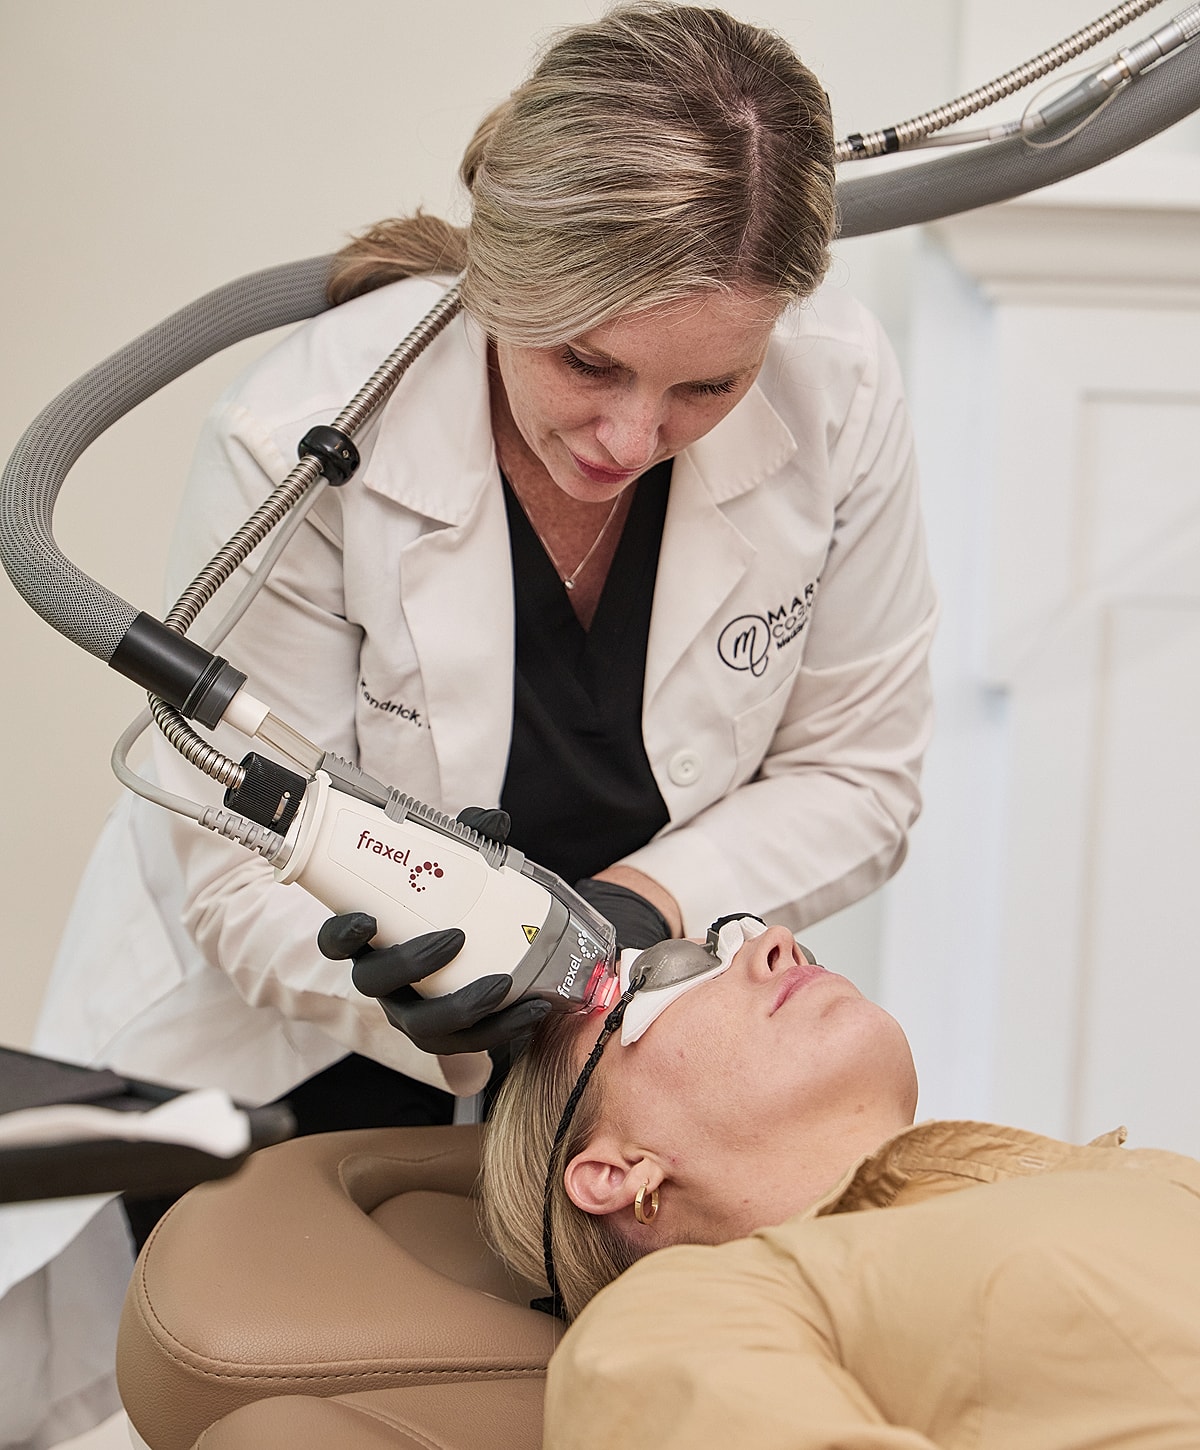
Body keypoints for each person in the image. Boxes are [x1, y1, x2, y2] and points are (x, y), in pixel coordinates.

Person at [39, 1, 935, 1153]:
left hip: (626, 1063)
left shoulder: (835, 389)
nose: (632, 438)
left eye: (708, 386)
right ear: (504, 285)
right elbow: (237, 860)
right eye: (589, 362)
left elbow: (858, 773)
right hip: (292, 1060)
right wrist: (399, 993)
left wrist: (641, 902)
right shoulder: (302, 436)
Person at [478, 919, 1200, 1447]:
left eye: (737, 938)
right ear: (617, 1173)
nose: (779, 942)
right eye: (664, 973)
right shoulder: (663, 1322)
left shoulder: (1084, 1184)